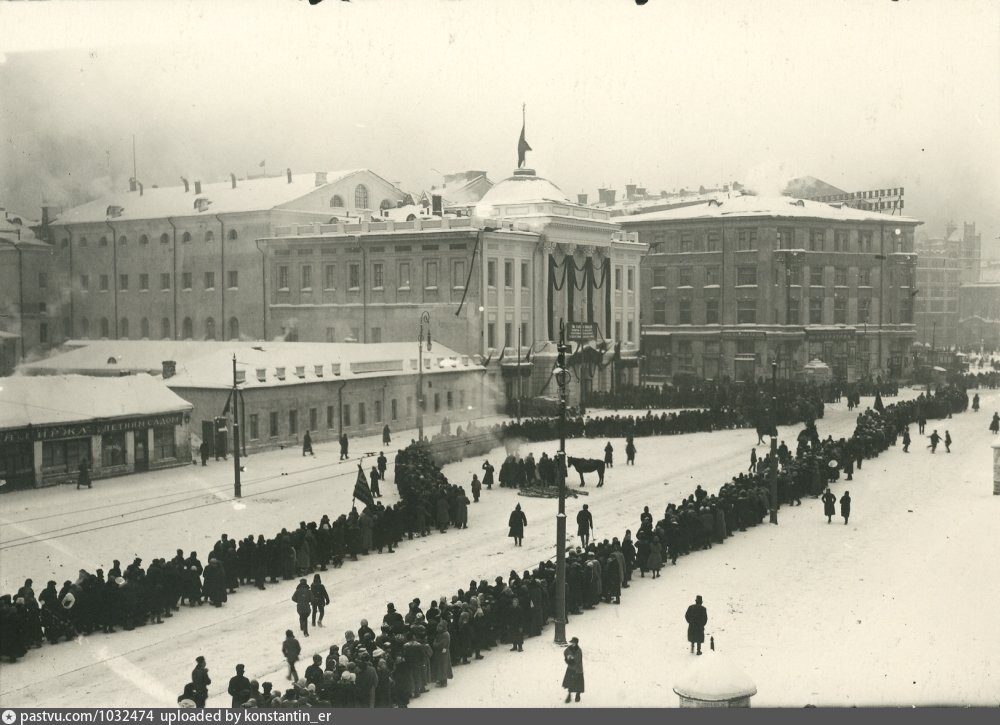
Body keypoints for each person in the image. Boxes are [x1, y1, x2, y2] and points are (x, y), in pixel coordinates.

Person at [562, 637, 584, 703]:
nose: (572, 644)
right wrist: (567, 658)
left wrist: (571, 660)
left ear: (576, 643)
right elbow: (565, 652)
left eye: (573, 642)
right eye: (572, 642)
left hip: (577, 669)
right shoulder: (569, 648)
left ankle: (578, 695)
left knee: (578, 683)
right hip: (570, 668)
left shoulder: (579, 650)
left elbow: (577, 660)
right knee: (569, 682)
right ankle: (569, 696)